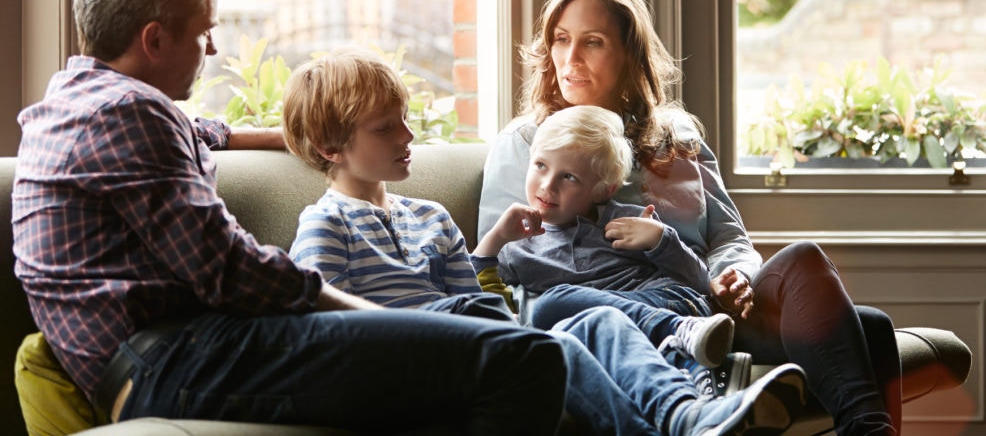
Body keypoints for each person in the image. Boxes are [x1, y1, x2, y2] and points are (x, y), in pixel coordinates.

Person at [12, 0, 573, 435]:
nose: (212, 45)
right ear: (154, 39)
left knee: (475, 347)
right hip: (177, 362)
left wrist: (319, 135)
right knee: (526, 357)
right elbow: (228, 270)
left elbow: (205, 132)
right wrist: (373, 318)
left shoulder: (79, 101)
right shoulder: (128, 114)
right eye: (204, 31)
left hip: (167, 358)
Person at [282, 47, 810, 436]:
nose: (408, 136)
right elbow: (329, 331)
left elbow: (483, 300)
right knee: (551, 341)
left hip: (478, 344)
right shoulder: (327, 226)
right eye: (385, 129)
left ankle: (688, 416)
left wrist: (492, 261)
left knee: (597, 320)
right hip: (413, 363)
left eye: (404, 120)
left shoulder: (432, 217)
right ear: (332, 147)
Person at [477, 0, 902, 436]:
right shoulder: (526, 143)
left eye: (592, 42)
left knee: (815, 269)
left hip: (704, 305)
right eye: (561, 39)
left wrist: (734, 276)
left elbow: (729, 236)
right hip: (611, 321)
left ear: (629, 54)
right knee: (868, 329)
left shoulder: (676, 137)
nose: (571, 58)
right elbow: (506, 265)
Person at [472, 104, 737, 371]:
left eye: (568, 177)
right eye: (540, 165)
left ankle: (680, 329)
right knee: (569, 330)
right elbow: (484, 306)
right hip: (612, 338)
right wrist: (494, 239)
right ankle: (700, 378)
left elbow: (700, 283)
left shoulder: (628, 221)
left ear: (602, 191)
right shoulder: (516, 246)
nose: (547, 185)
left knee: (551, 304)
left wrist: (661, 239)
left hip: (672, 304)